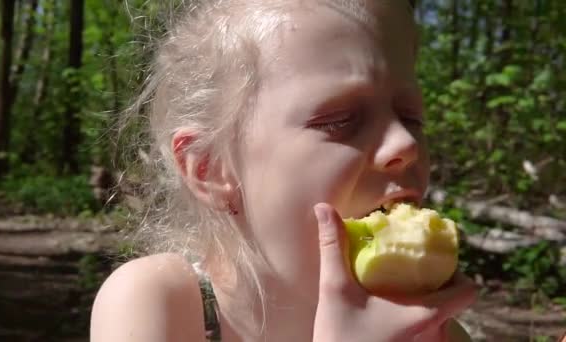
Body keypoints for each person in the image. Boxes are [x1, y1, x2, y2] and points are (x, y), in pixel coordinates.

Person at [90, 0, 478, 341]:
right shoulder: (156, 301)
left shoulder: (430, 332)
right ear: (210, 168)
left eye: (411, 118)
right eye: (338, 120)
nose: (405, 144)